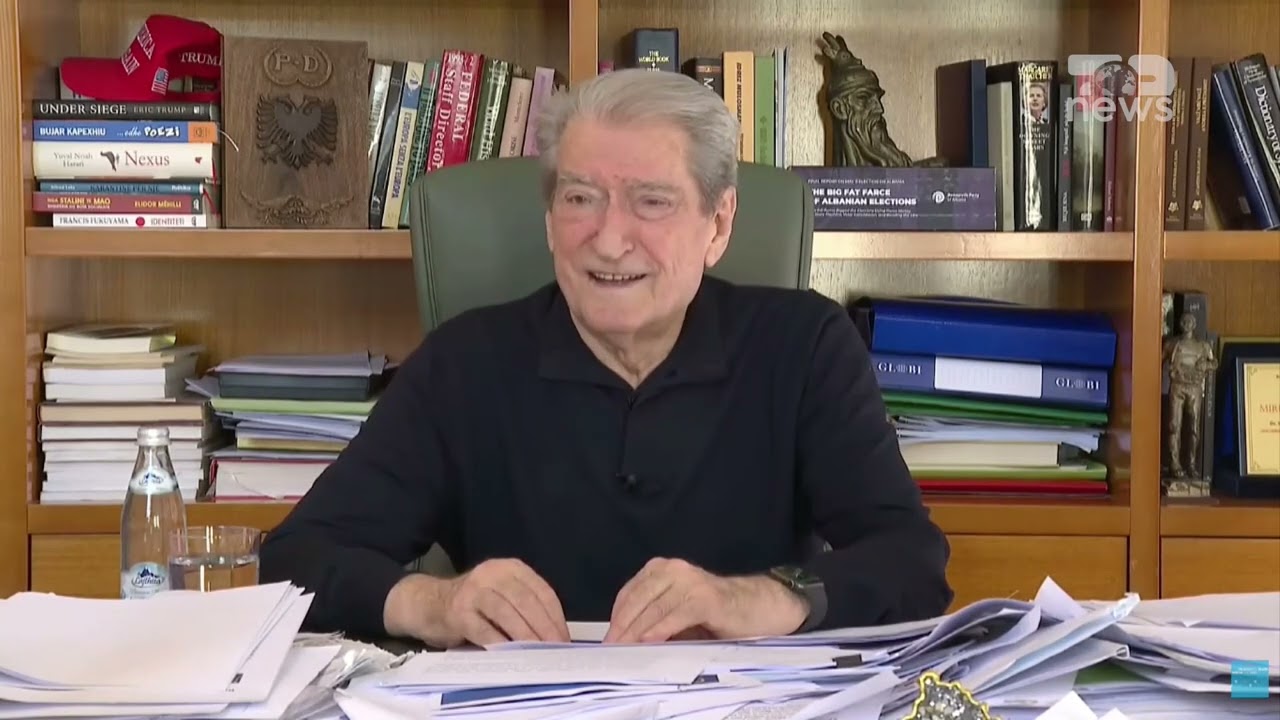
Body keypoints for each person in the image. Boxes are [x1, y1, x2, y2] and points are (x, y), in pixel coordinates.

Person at [258, 68, 953, 648]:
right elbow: (292, 562)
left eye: (651, 202)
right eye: (580, 198)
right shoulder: (464, 363)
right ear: (549, 221)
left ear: (718, 225)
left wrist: (758, 600)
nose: (610, 239)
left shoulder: (805, 346)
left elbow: (911, 562)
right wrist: (432, 603)